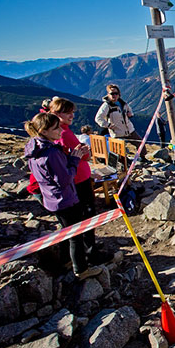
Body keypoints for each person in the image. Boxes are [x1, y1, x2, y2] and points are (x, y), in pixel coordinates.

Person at [24, 113, 101, 279]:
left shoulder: (34, 149)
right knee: (76, 236)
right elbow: (65, 179)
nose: (61, 130)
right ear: (44, 131)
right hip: (65, 199)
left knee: (66, 231)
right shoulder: (51, 153)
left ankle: (67, 261)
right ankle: (81, 269)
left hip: (51, 199)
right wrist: (74, 159)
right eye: (56, 128)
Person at [50, 98, 106, 263]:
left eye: (72, 112)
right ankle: (90, 253)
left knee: (75, 220)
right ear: (56, 113)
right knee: (87, 216)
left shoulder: (56, 131)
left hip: (73, 180)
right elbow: (85, 155)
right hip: (79, 180)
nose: (72, 115)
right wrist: (84, 152)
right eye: (67, 112)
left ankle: (77, 253)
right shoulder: (65, 133)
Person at [94, 84, 147, 161]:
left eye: (116, 93)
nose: (114, 95)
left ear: (119, 95)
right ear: (108, 94)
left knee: (139, 142)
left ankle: (143, 157)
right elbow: (98, 118)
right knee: (119, 150)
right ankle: (124, 163)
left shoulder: (123, 103)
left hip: (129, 129)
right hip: (117, 131)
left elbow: (130, 110)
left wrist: (130, 114)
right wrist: (108, 125)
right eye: (112, 93)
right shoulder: (106, 106)